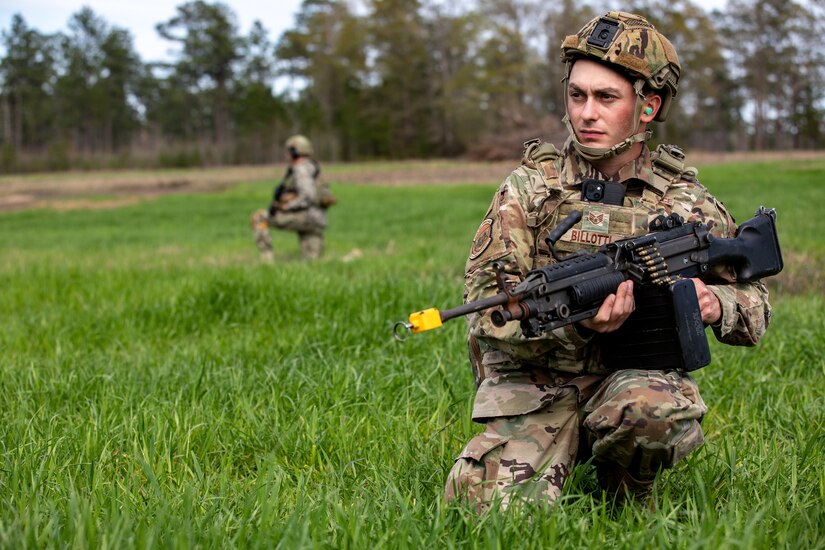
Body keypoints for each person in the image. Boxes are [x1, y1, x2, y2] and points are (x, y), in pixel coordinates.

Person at [444, 11, 772, 510]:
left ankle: (628, 486)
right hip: (536, 385)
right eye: (577, 96)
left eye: (606, 97)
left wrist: (713, 303)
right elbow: (487, 312)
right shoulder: (529, 191)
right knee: (480, 515)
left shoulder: (685, 203)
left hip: (630, 384)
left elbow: (756, 308)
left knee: (652, 410)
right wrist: (580, 328)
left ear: (648, 107)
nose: (586, 113)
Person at [250, 135, 328, 261]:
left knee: (259, 217)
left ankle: (266, 261)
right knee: (312, 262)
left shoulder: (300, 169)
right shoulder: (313, 167)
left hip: (306, 217)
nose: (287, 155)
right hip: (318, 219)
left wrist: (286, 206)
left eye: (288, 151)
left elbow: (307, 196)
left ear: (294, 151)